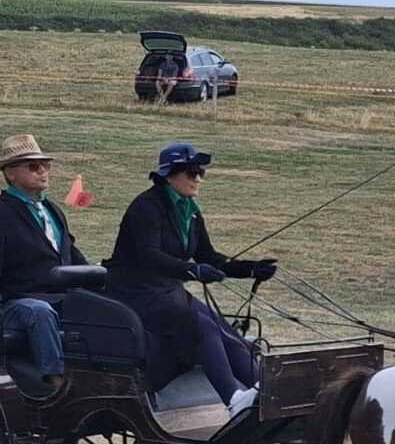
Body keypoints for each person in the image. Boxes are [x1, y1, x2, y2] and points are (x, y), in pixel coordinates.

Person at [105, 142, 277, 417]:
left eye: (200, 172)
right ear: (169, 175)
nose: (198, 178)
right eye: (191, 172)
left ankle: (266, 392)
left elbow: (208, 256)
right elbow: (149, 256)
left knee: (224, 330)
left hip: (168, 293)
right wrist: (192, 271)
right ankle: (234, 399)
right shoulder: (146, 207)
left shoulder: (190, 210)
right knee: (201, 326)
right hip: (136, 294)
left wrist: (250, 269)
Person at [0, 134, 89, 400]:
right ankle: (56, 383)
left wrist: (98, 280)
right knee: (38, 312)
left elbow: (69, 252)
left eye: (46, 165)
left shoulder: (53, 210)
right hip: (20, 302)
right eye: (34, 166)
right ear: (11, 174)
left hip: (63, 298)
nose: (43, 171)